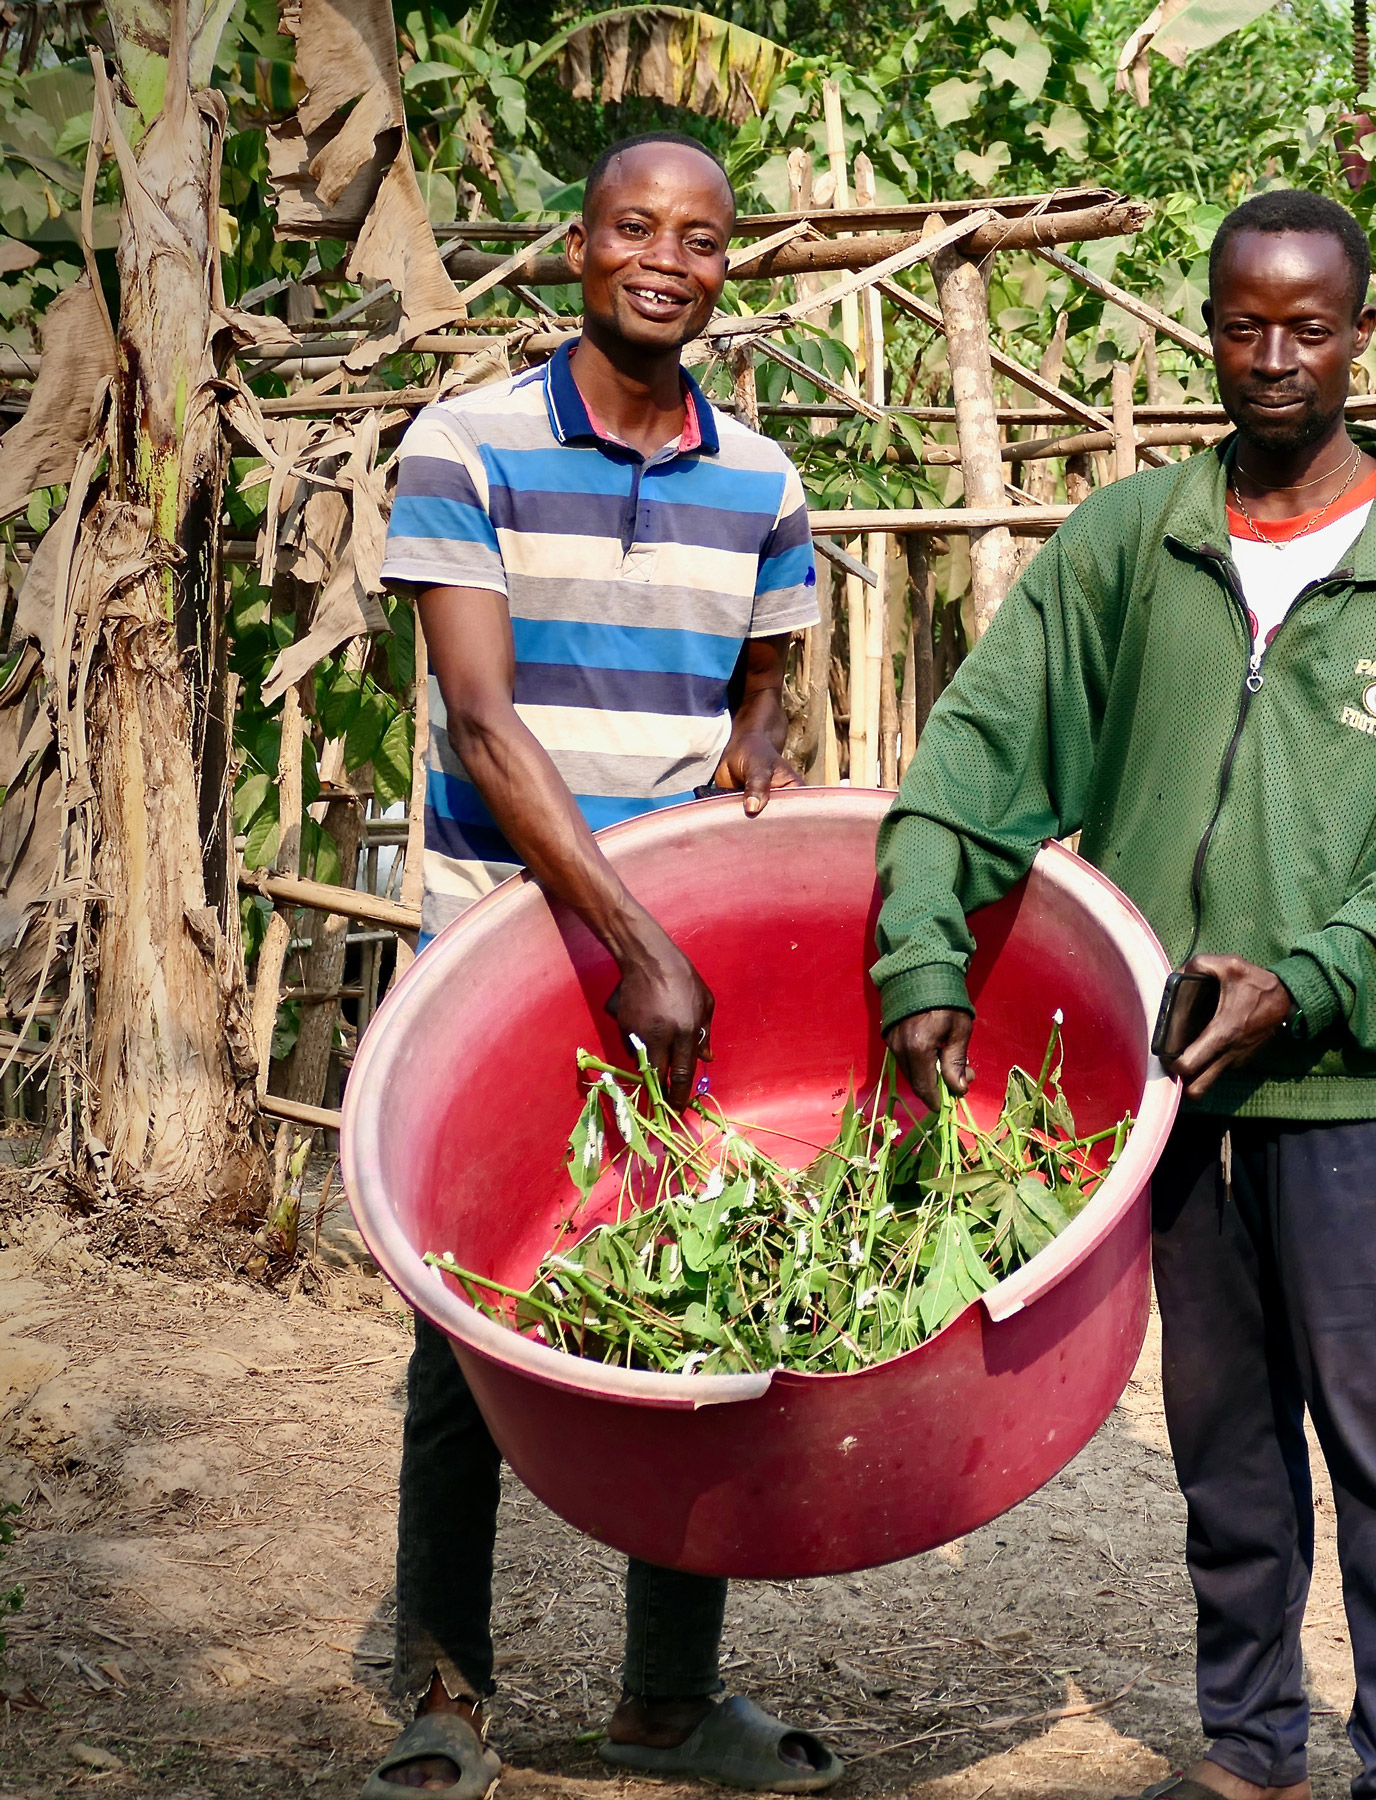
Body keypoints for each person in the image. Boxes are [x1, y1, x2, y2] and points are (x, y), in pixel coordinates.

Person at [872, 188, 1376, 1800]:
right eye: (1245, 324)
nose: (1276, 358)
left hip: (1351, 1092)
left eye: (1312, 326)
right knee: (1226, 1451)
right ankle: (1249, 1744)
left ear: (1361, 334)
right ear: (1210, 327)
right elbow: (980, 748)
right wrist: (920, 944)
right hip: (1170, 1092)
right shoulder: (1133, 542)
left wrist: (1307, 981)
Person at [361, 131, 841, 1799]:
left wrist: (756, 745)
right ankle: (444, 1695)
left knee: (686, 1314)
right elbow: (486, 729)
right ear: (580, 248)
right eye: (634, 226)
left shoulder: (765, 481)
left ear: (728, 267)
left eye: (700, 237)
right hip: (505, 944)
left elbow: (770, 663)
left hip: (673, 963)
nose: (666, 258)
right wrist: (637, 938)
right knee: (466, 1326)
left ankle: (664, 1697)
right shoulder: (467, 447)